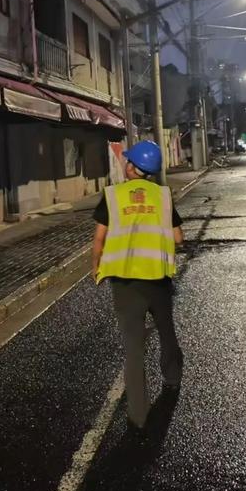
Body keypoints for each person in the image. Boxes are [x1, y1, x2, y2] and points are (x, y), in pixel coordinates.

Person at [92, 140, 184, 429]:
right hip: (157, 278)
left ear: (132, 167)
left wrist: (97, 268)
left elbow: (99, 239)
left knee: (132, 347)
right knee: (166, 330)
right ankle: (172, 378)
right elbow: (179, 238)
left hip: (124, 282)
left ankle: (138, 414)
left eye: (127, 161)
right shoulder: (163, 197)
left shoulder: (113, 196)